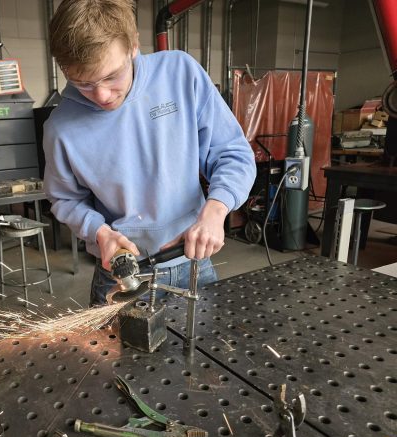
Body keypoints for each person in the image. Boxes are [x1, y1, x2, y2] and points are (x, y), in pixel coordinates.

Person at [43, 0, 256, 306]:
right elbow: (65, 198)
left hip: (191, 262)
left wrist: (216, 210)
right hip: (120, 274)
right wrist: (100, 233)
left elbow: (232, 153)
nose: (102, 95)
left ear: (133, 46)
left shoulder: (180, 74)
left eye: (111, 76)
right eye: (83, 84)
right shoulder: (60, 129)